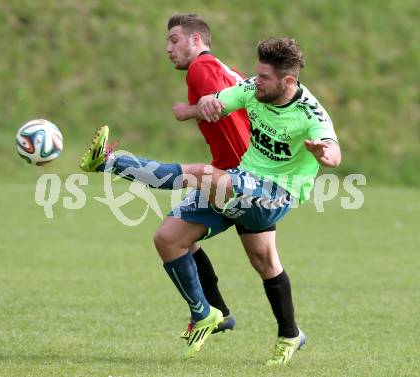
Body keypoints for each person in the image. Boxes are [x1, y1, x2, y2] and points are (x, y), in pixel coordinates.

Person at [79, 37, 341, 365]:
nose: (256, 81)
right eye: (257, 74)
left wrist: (325, 153)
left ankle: (108, 162)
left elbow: (333, 149)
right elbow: (219, 103)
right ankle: (228, 319)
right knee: (171, 240)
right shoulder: (252, 89)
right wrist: (198, 107)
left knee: (204, 174)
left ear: (288, 81)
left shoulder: (310, 113)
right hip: (241, 180)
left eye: (264, 77)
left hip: (273, 196)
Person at [165, 13, 252, 338]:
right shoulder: (221, 68)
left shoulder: (202, 68)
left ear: (196, 40)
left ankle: (207, 312)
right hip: (247, 171)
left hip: (235, 175)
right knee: (266, 264)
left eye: (174, 40)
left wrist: (187, 111)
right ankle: (220, 313)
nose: (168, 48)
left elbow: (218, 105)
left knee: (170, 239)